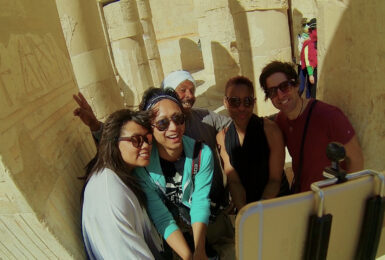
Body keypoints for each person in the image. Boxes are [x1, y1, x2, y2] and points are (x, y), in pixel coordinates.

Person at [259, 61, 364, 192]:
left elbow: (356, 160)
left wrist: (344, 197)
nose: (280, 95)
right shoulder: (281, 120)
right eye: (273, 91)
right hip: (304, 197)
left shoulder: (328, 116)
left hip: (328, 198)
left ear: (296, 85)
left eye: (285, 86)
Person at [134, 87, 214, 260]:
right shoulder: (143, 166)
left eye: (178, 119)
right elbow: (161, 216)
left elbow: (200, 201)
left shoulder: (201, 154)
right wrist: (187, 256)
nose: (174, 128)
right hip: (163, 234)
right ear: (150, 127)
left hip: (194, 224)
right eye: (163, 123)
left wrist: (199, 252)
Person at [81, 109, 163, 259]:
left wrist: (96, 126)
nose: (146, 145)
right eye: (136, 140)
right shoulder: (109, 197)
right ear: (114, 143)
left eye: (148, 139)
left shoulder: (118, 173)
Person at [216, 76, 287, 211]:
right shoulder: (222, 137)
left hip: (276, 202)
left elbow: (275, 180)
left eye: (247, 101)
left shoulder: (270, 130)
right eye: (235, 102)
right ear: (225, 102)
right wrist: (244, 212)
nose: (241, 107)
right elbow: (234, 181)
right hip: (248, 206)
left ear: (254, 102)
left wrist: (257, 211)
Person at [300, 18, 318, 98]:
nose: (315, 32)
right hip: (314, 71)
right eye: (313, 30)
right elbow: (308, 61)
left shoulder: (319, 42)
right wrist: (310, 74)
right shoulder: (308, 44)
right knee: (313, 94)